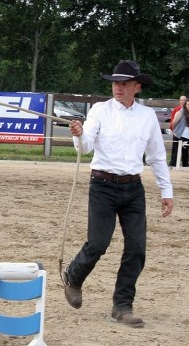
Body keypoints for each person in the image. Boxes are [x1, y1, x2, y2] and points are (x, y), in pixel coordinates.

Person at [63, 60, 173, 329]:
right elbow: (86, 144)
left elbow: (157, 157)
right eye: (115, 83)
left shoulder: (147, 116)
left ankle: (122, 306)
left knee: (136, 249)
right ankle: (74, 277)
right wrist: (79, 134)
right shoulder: (100, 111)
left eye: (124, 84)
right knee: (98, 244)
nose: (117, 88)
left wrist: (166, 190)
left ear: (136, 87)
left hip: (134, 189)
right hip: (102, 186)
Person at [169, 95, 187, 166]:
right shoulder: (176, 109)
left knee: (185, 148)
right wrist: (172, 128)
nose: (183, 101)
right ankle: (173, 163)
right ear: (179, 101)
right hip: (177, 131)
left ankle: (185, 163)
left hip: (185, 132)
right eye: (182, 100)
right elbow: (172, 120)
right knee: (175, 148)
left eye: (184, 100)